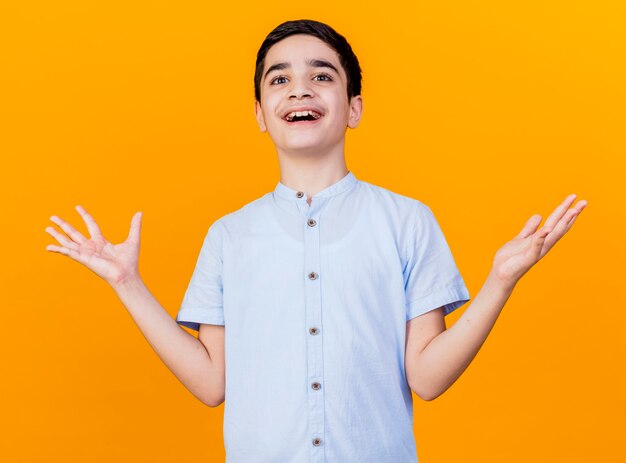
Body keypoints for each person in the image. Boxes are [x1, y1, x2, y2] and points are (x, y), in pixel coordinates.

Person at [45, 19, 587, 463]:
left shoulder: (407, 221)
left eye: (321, 76)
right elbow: (211, 383)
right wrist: (128, 283)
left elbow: (426, 378)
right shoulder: (229, 235)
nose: (299, 88)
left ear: (353, 107)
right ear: (260, 114)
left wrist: (499, 281)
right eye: (278, 79)